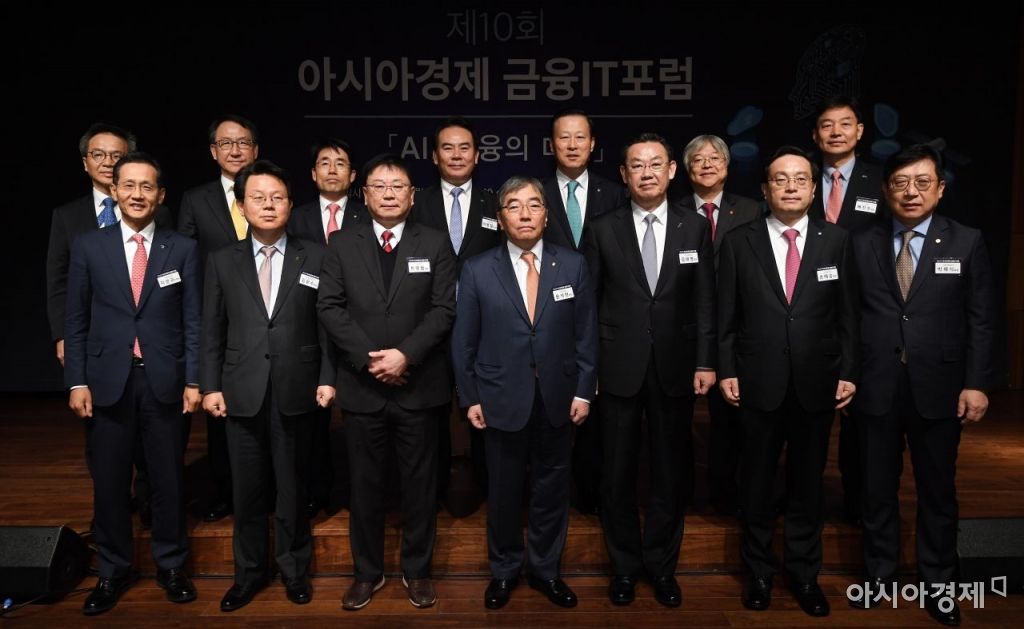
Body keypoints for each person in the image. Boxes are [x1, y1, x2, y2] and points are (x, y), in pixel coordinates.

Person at [849, 144, 994, 626]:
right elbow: (846, 317)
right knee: (876, 490)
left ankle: (940, 585)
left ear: (940, 189)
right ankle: (879, 576)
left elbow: (981, 320)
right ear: (885, 189)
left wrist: (976, 384)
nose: (911, 192)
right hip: (876, 385)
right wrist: (847, 375)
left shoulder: (966, 241)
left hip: (941, 387)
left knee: (937, 491)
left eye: (922, 182)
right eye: (900, 183)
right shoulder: (861, 242)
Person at [717, 146, 860, 617]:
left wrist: (848, 371)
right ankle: (758, 573)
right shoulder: (739, 241)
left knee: (807, 485)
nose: (791, 186)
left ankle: (804, 574)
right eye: (780, 179)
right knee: (756, 483)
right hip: (757, 381)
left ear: (814, 188)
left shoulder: (836, 241)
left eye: (800, 178)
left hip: (817, 382)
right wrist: (727, 368)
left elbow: (848, 316)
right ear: (765, 189)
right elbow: (726, 316)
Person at [580, 133, 716, 608]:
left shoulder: (693, 226)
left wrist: (705, 360)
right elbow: (587, 305)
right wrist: (589, 368)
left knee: (670, 472)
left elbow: (704, 299)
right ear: (623, 174)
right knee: (616, 473)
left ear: (672, 171)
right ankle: (623, 567)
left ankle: (661, 567)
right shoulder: (602, 228)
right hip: (617, 366)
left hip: (676, 365)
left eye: (656, 164)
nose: (647, 173)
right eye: (636, 165)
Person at [451, 175, 597, 610]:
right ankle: (504, 571)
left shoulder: (572, 265)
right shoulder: (478, 269)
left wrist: (584, 391)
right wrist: (470, 396)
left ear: (547, 215)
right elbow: (464, 342)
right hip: (499, 397)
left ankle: (547, 570)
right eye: (514, 206)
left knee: (552, 489)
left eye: (534, 205)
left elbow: (586, 334)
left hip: (558, 397)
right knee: (503, 491)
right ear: (501, 219)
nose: (525, 214)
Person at [318, 154, 456, 611]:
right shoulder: (342, 243)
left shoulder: (434, 242)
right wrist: (370, 359)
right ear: (365, 194)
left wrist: (405, 355)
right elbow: (329, 306)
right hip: (363, 387)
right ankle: (367, 572)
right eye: (380, 186)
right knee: (364, 486)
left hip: (418, 384)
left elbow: (444, 309)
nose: (390, 194)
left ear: (413, 195)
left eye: (398, 186)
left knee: (420, 486)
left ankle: (417, 571)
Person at [64, 153, 200, 615]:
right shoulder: (89, 246)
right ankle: (113, 569)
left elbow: (193, 320)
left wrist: (194, 379)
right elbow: (76, 320)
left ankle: (171, 565)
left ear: (161, 195)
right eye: (128, 185)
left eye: (147, 187)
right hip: (107, 382)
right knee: (109, 482)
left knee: (168, 480)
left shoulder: (182, 248)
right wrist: (76, 381)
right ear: (114, 191)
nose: (137, 194)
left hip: (164, 381)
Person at [200, 160, 336, 611]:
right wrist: (210, 385)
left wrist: (328, 377)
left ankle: (295, 570)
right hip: (240, 390)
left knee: (293, 487)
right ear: (241, 206)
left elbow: (327, 326)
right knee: (248, 490)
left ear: (291, 204)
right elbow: (211, 329)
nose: (268, 205)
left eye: (277, 197)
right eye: (257, 198)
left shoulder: (315, 255)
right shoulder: (222, 260)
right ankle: (249, 574)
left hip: (298, 387)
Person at [47, 123, 169, 528]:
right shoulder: (68, 217)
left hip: (149, 350)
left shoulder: (157, 213)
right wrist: (64, 337)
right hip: (96, 343)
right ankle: (111, 513)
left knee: (153, 446)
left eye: (116, 155)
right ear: (85, 163)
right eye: (98, 155)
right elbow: (59, 283)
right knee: (104, 442)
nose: (107, 161)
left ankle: (148, 503)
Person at [409, 116, 500, 512]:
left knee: (485, 411)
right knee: (431, 416)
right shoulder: (417, 203)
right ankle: (434, 492)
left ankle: (487, 489)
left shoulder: (495, 203)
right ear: (434, 156)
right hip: (430, 325)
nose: (457, 155)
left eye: (465, 147)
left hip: (485, 329)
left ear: (477, 155)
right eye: (448, 147)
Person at [541, 109, 627, 515]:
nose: (572, 145)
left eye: (580, 138)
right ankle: (547, 497)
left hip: (604, 319)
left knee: (597, 416)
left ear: (592, 144)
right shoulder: (535, 193)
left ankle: (591, 495)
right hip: (545, 321)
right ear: (552, 144)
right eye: (564, 137)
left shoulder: (615, 194)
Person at [808, 95, 887, 524]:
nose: (835, 132)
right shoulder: (798, 177)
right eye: (826, 124)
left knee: (862, 419)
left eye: (844, 124)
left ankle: (858, 503)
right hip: (810, 312)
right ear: (815, 134)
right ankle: (806, 499)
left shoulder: (882, 181)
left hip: (867, 311)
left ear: (860, 131)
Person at [178, 114, 260, 522]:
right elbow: (186, 262)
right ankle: (225, 492)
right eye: (226, 143)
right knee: (221, 411)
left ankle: (270, 491)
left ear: (255, 149)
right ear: (213, 151)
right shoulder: (196, 200)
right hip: (220, 316)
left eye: (242, 142)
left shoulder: (270, 190)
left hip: (267, 314)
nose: (235, 150)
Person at [676, 133, 761, 516]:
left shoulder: (752, 210)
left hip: (735, 330)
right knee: (676, 419)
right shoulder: (673, 210)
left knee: (731, 419)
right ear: (685, 169)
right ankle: (680, 494)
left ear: (727, 166)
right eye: (698, 159)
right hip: (683, 329)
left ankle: (726, 494)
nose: (707, 164)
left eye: (715, 158)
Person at [289, 138, 368, 518]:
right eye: (325, 162)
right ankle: (316, 490)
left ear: (353, 176)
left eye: (340, 163)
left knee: (359, 418)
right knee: (311, 417)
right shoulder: (294, 217)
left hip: (357, 326)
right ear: (312, 173)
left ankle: (359, 491)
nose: (332, 169)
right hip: (305, 325)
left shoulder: (367, 214)